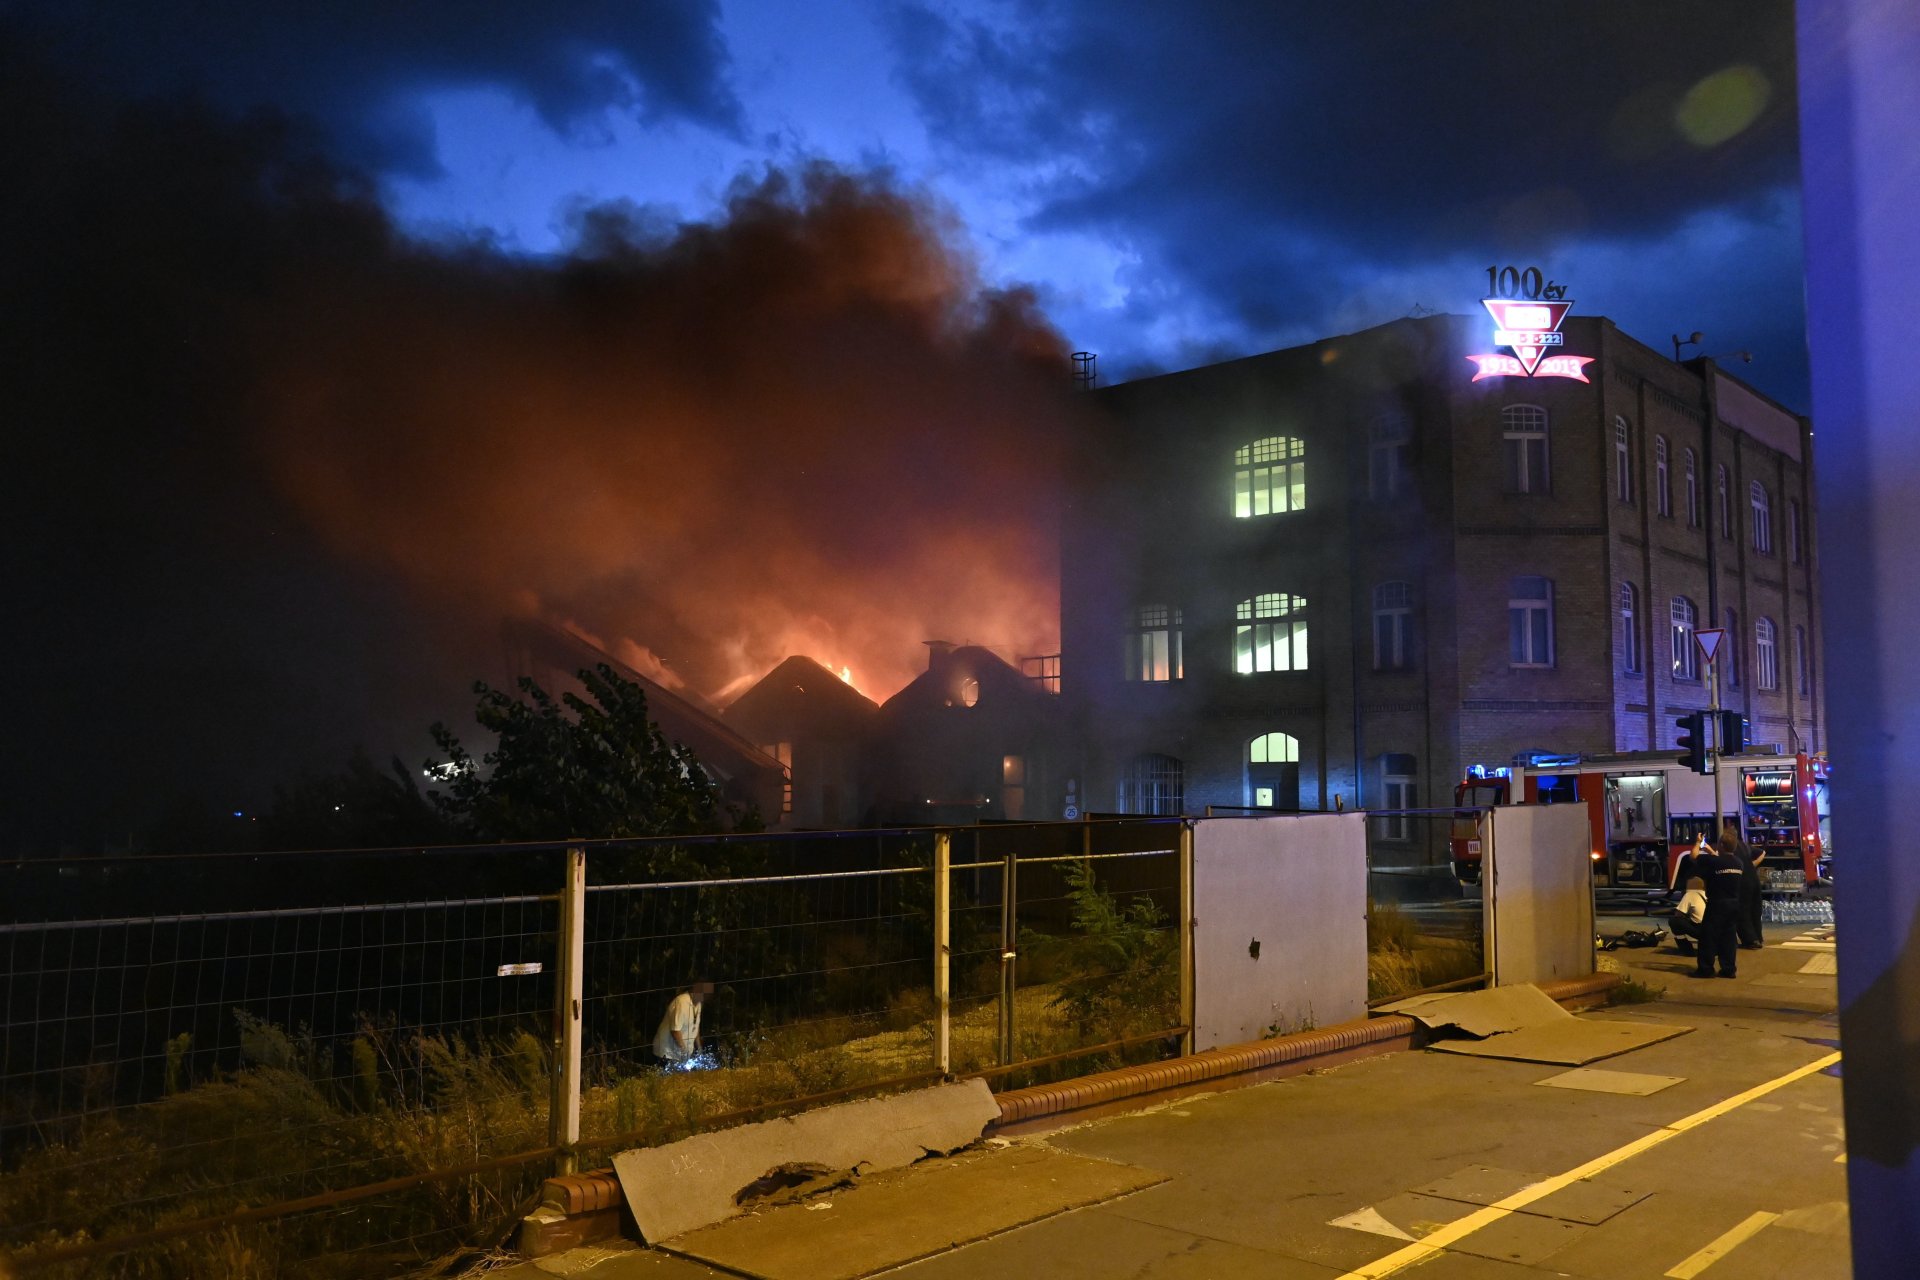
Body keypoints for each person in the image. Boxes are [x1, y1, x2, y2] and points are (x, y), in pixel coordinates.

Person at [1691, 838, 1746, 978]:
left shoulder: (1714, 862)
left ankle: (1706, 969)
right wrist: (1709, 849)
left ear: (1721, 845)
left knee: (1708, 936)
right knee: (1728, 938)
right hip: (1734, 904)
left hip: (1717, 903)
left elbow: (1693, 857)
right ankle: (1728, 969)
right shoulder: (1738, 863)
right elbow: (1721, 862)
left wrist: (1698, 843)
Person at [1722, 820, 1767, 949]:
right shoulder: (1745, 845)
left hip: (1742, 881)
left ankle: (1750, 940)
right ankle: (1758, 937)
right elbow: (1761, 853)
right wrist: (1754, 864)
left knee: (1743, 910)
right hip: (1754, 879)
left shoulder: (1731, 848)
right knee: (1755, 909)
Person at [653, 981, 714, 1067]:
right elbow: (675, 1031)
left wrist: (699, 1049)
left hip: (681, 1053)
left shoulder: (698, 1004)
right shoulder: (681, 1002)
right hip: (667, 1052)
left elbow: (695, 1027)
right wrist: (684, 1051)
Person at [1668, 876, 1708, 955]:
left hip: (1702, 930)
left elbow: (1678, 914)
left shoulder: (1690, 894)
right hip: (1713, 930)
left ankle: (1686, 950)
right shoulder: (1707, 894)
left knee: (1674, 921)